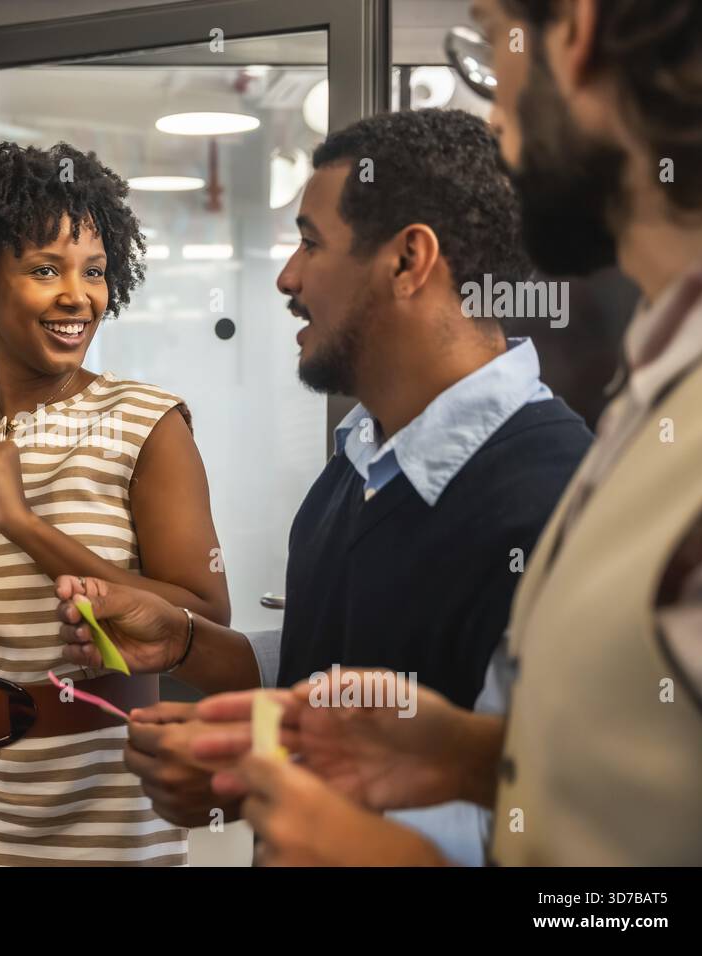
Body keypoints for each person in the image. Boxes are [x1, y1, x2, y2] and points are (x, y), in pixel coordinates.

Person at [191, 0, 702, 866]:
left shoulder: (571, 468)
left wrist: (399, 855)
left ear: (575, 32)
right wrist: (461, 756)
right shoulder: (653, 397)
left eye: (488, 37)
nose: (493, 108)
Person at [55, 108, 592, 864]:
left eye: (310, 242)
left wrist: (253, 779)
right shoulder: (361, 459)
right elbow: (330, 661)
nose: (287, 277)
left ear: (409, 261)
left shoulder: (558, 504)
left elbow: (559, 834)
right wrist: (182, 643)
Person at [0, 141, 230, 866]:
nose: (78, 296)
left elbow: (205, 626)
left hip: (102, 800)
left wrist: (24, 524)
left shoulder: (147, 424)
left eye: (93, 272)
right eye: (44, 270)